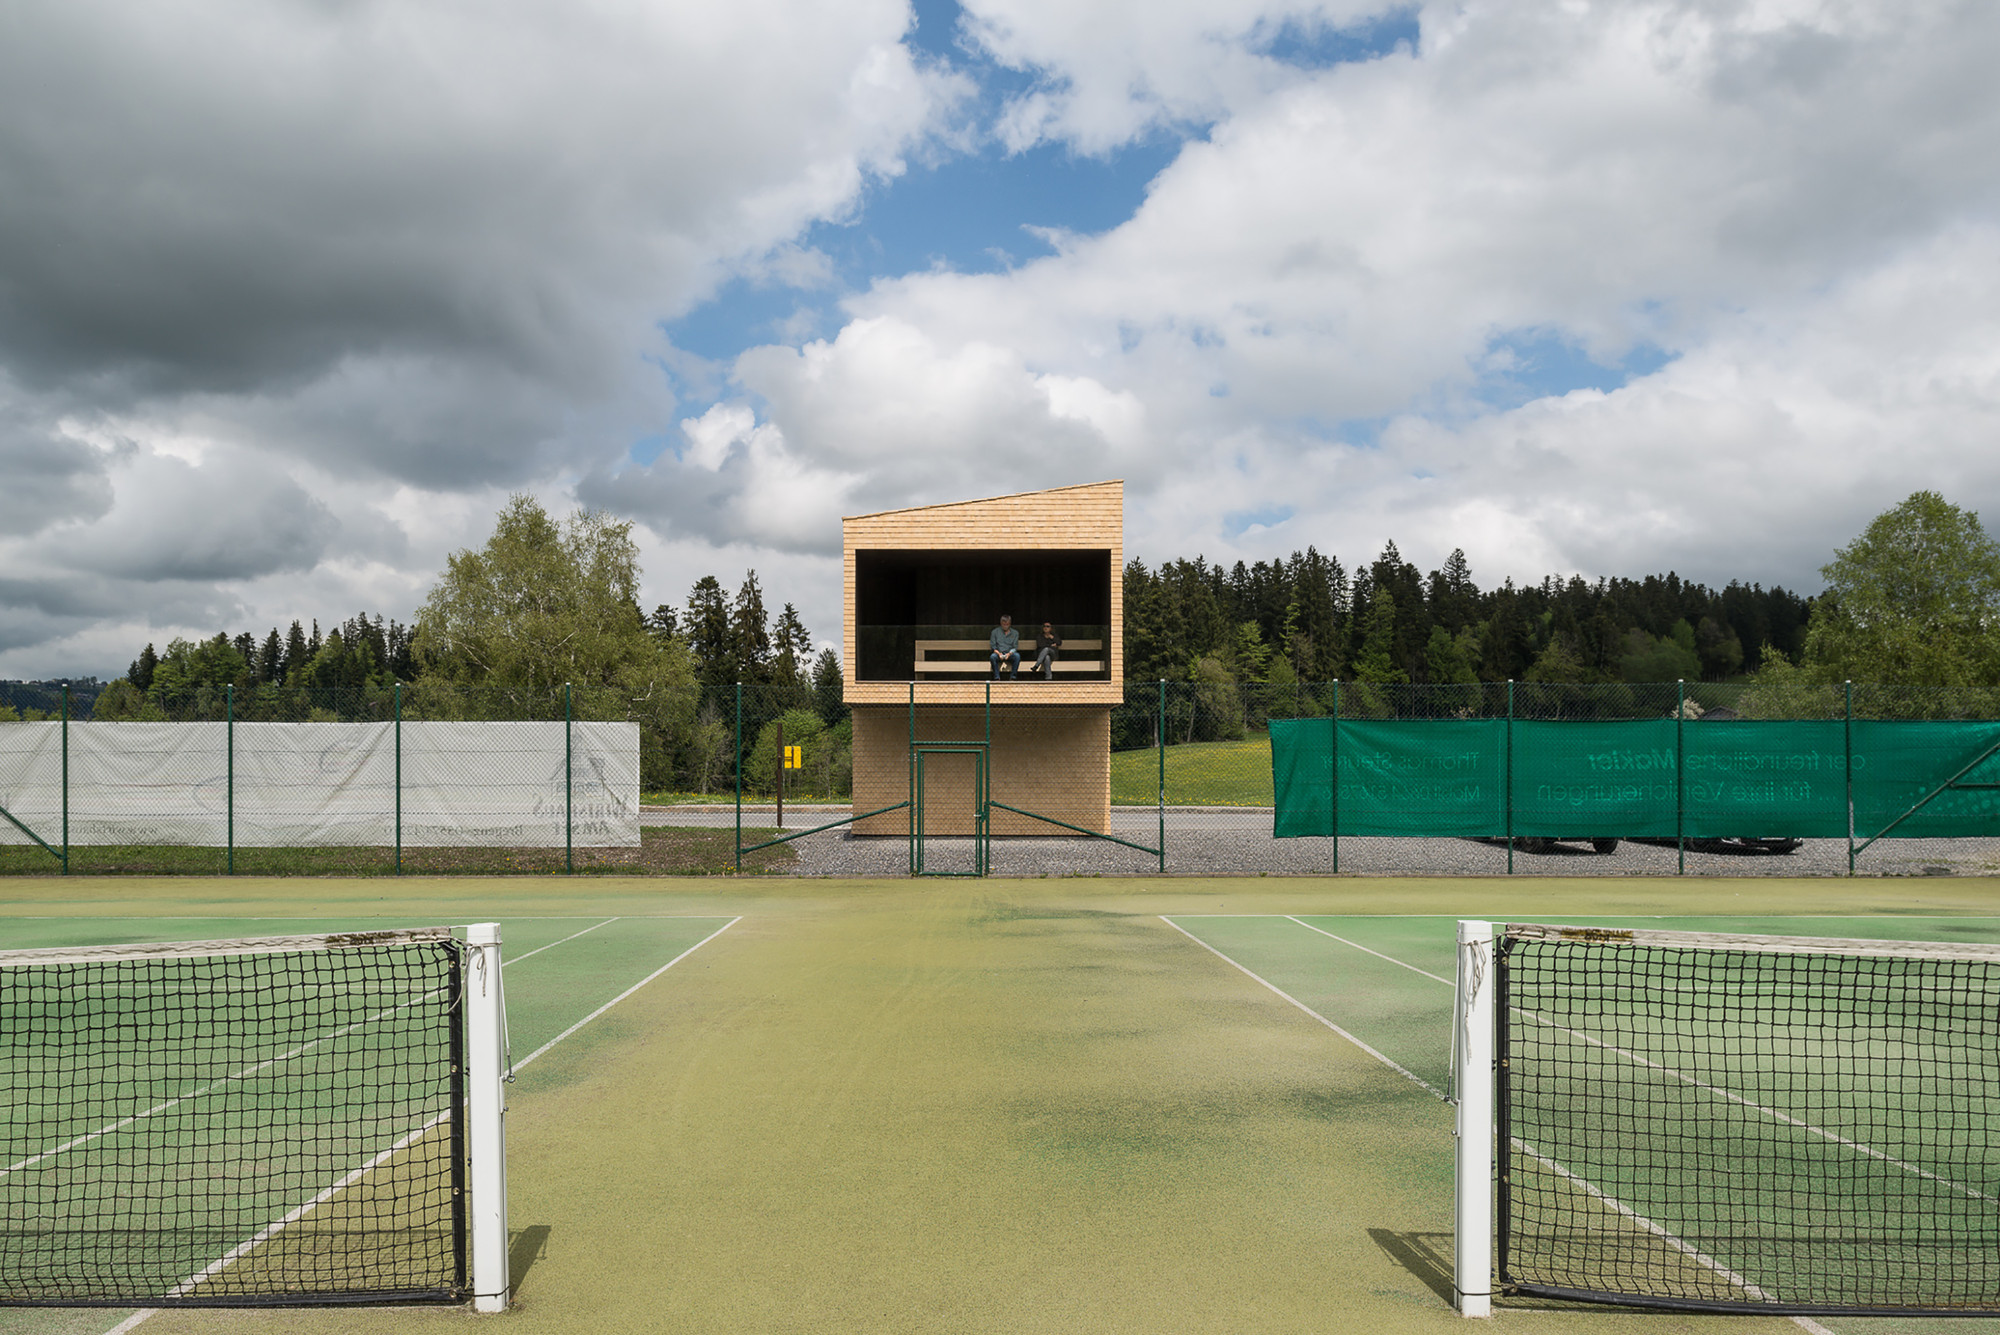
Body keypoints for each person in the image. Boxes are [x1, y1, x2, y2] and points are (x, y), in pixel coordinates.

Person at [989, 614, 1020, 680]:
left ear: (1010, 623)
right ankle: (997, 677)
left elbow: (1015, 647)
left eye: (1007, 624)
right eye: (1004, 624)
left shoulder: (1015, 633)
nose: (1005, 626)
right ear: (1001, 623)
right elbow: (993, 646)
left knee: (1017, 656)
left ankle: (1013, 677)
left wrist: (1009, 654)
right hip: (998, 653)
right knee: (992, 657)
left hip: (1010, 653)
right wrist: (999, 653)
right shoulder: (994, 632)